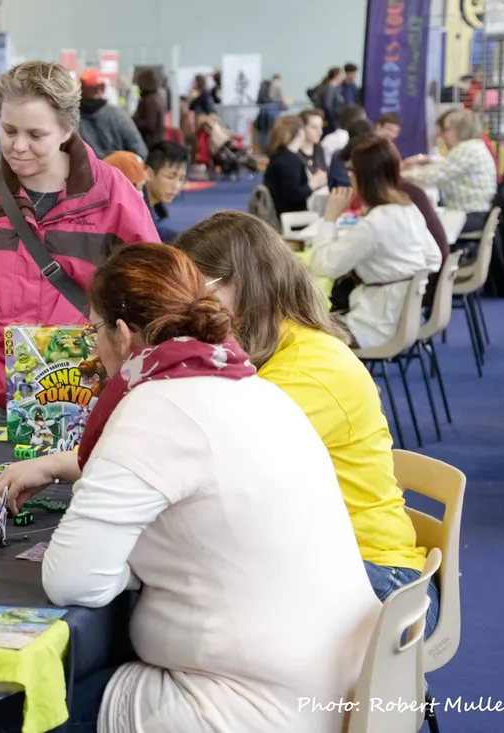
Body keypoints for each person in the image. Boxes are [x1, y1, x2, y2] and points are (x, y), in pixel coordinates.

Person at [0, 243, 379, 733]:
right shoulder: (252, 385)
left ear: (124, 335)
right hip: (351, 681)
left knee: (4, 724)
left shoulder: (153, 406)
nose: (94, 348)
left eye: (94, 331)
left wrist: (126, 565)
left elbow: (74, 580)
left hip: (250, 705)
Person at [177, 210, 440, 638]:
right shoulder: (274, 350)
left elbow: (206, 460)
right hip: (341, 558)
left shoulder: (307, 370)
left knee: (200, 605)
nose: (187, 310)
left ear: (241, 285)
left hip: (383, 580)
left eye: (197, 292)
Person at [0, 60, 158, 431]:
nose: (18, 146)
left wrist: (121, 364)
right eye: (9, 129)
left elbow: (151, 293)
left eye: (35, 134)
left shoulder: (113, 196)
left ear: (66, 130)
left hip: (86, 397)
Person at [310, 136, 442, 348]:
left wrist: (330, 218)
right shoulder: (408, 210)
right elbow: (433, 258)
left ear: (362, 177)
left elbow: (321, 266)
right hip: (400, 320)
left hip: (371, 327)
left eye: (351, 171)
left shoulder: (374, 224)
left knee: (294, 331)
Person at [403, 108, 497, 246]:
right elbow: (448, 165)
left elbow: (436, 175)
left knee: (419, 227)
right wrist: (425, 160)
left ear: (457, 129)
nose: (441, 136)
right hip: (475, 211)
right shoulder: (473, 146)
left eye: (445, 130)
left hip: (469, 214)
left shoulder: (466, 150)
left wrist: (398, 174)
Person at [77, 68, 148, 160]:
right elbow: (140, 152)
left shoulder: (72, 118)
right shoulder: (117, 115)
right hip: (118, 171)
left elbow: (140, 151)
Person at [263, 115, 325, 216]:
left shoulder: (279, 155)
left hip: (283, 214)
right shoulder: (290, 160)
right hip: (292, 217)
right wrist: (313, 184)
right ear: (300, 132)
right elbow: (293, 195)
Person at [142, 140, 189, 242]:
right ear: (149, 173)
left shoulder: (148, 204)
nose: (176, 186)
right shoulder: (135, 206)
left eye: (181, 179)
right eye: (171, 177)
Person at [132, 68, 167, 149]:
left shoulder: (150, 101)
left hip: (149, 143)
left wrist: (133, 119)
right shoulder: (157, 97)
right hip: (156, 140)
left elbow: (149, 124)